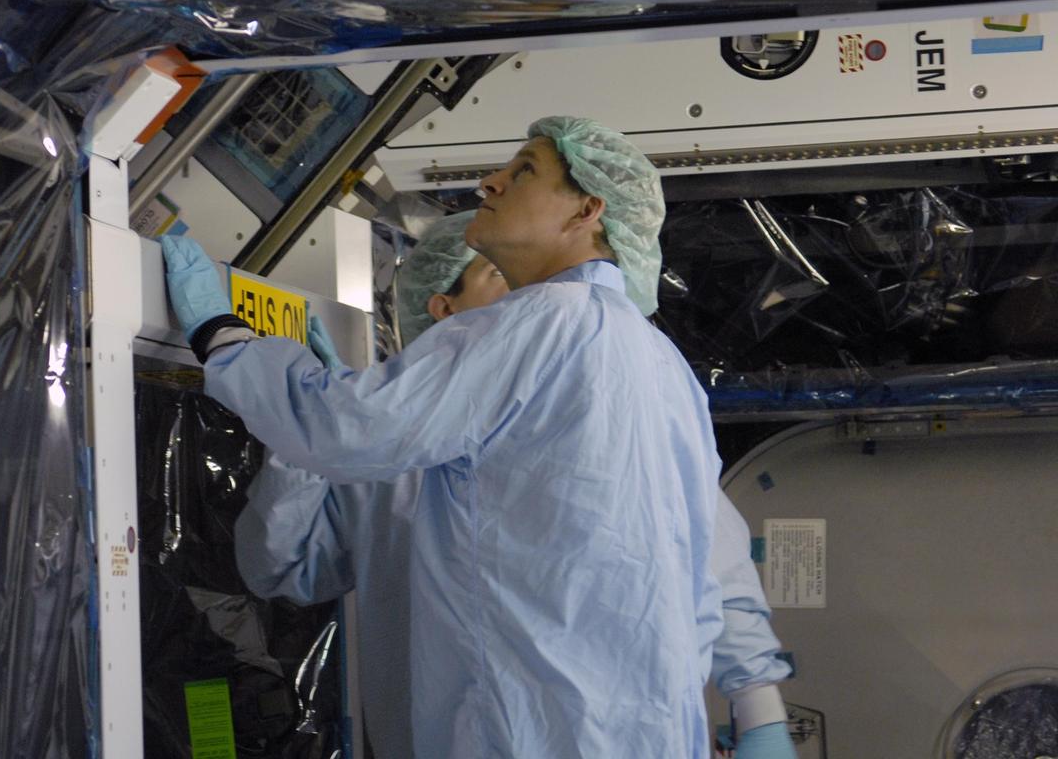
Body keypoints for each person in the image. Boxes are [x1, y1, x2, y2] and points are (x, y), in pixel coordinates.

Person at [163, 116, 722, 757]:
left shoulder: (542, 322)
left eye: (525, 171)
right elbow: (699, 590)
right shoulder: (664, 365)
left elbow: (346, 429)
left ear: (587, 211)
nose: (490, 182)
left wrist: (223, 337)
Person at [238, 211, 796, 759]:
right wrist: (308, 442)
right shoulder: (380, 453)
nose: (532, 300)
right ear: (443, 309)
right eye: (500, 277)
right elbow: (287, 570)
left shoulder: (607, 412)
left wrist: (758, 708)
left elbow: (713, 562)